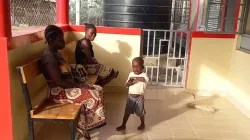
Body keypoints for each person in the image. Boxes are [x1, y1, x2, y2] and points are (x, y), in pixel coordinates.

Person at [40, 25, 106, 140]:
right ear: (51, 40)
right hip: (58, 93)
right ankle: (85, 127)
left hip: (67, 88)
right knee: (93, 95)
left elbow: (64, 71)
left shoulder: (55, 53)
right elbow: (59, 82)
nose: (63, 41)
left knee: (98, 89)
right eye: (60, 39)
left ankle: (83, 125)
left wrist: (80, 82)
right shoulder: (49, 57)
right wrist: (81, 85)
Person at [116, 57, 149, 131]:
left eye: (138, 66)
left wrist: (136, 77)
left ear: (142, 67)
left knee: (140, 112)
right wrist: (129, 83)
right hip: (130, 97)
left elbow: (145, 80)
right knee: (127, 112)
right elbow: (126, 85)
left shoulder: (144, 75)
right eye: (134, 66)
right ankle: (123, 125)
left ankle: (142, 124)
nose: (135, 69)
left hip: (139, 98)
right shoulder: (130, 74)